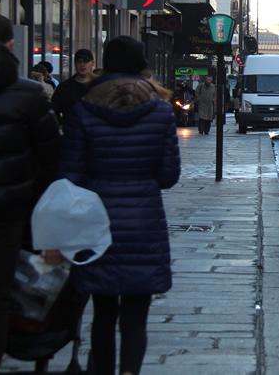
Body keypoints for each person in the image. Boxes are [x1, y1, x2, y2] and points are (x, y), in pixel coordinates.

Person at [54, 35, 180, 375]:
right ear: (142, 66)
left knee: (103, 314)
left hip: (96, 224)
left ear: (104, 65)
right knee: (135, 320)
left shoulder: (83, 110)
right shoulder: (161, 110)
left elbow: (70, 177)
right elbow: (169, 176)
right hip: (143, 223)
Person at [0, 14, 62, 373]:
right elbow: (51, 157)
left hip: (12, 207)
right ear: (10, 45)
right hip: (8, 213)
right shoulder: (30, 94)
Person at [52, 49, 97, 126]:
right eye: (79, 61)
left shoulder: (100, 85)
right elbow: (53, 111)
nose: (82, 64)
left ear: (92, 63)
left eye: (85, 61)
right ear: (75, 63)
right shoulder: (64, 88)